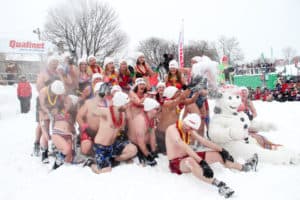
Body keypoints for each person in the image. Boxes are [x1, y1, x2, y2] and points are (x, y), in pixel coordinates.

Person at [166, 113, 258, 198]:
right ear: (185, 121)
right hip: (176, 163)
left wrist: (222, 150)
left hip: (188, 155)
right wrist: (201, 162)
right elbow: (185, 147)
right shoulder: (172, 129)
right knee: (190, 161)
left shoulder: (188, 128)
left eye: (191, 128)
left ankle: (245, 167)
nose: (189, 130)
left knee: (218, 155)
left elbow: (204, 141)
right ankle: (219, 185)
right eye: (188, 127)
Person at [85, 92, 137, 174]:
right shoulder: (106, 112)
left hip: (113, 145)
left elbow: (126, 123)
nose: (127, 106)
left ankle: (113, 159)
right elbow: (93, 110)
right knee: (105, 170)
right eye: (126, 104)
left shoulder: (122, 114)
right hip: (101, 147)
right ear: (120, 103)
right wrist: (99, 96)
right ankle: (90, 163)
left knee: (133, 150)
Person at [76, 82, 109, 156]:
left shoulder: (109, 103)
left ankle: (100, 152)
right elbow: (79, 116)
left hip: (104, 134)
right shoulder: (89, 103)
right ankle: (94, 152)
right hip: (90, 132)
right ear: (96, 92)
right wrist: (84, 127)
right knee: (85, 148)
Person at [38, 80, 66, 163]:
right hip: (43, 111)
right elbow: (42, 105)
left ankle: (55, 147)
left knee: (56, 130)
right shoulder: (43, 91)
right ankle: (44, 153)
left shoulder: (60, 92)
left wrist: (61, 112)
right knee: (45, 132)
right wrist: (48, 112)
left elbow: (62, 104)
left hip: (54, 110)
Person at [128, 98, 160, 166]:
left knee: (156, 147)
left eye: (158, 109)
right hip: (135, 144)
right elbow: (140, 142)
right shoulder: (141, 121)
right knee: (143, 159)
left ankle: (148, 152)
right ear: (149, 109)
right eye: (156, 109)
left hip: (143, 143)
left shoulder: (151, 118)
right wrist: (148, 156)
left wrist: (153, 151)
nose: (158, 111)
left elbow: (152, 135)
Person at [52, 95, 78, 169]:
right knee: (67, 149)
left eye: (69, 100)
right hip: (58, 133)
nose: (66, 101)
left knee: (69, 160)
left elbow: (73, 127)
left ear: (73, 104)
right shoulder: (58, 110)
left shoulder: (73, 115)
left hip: (68, 135)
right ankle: (56, 163)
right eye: (66, 99)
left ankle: (62, 170)